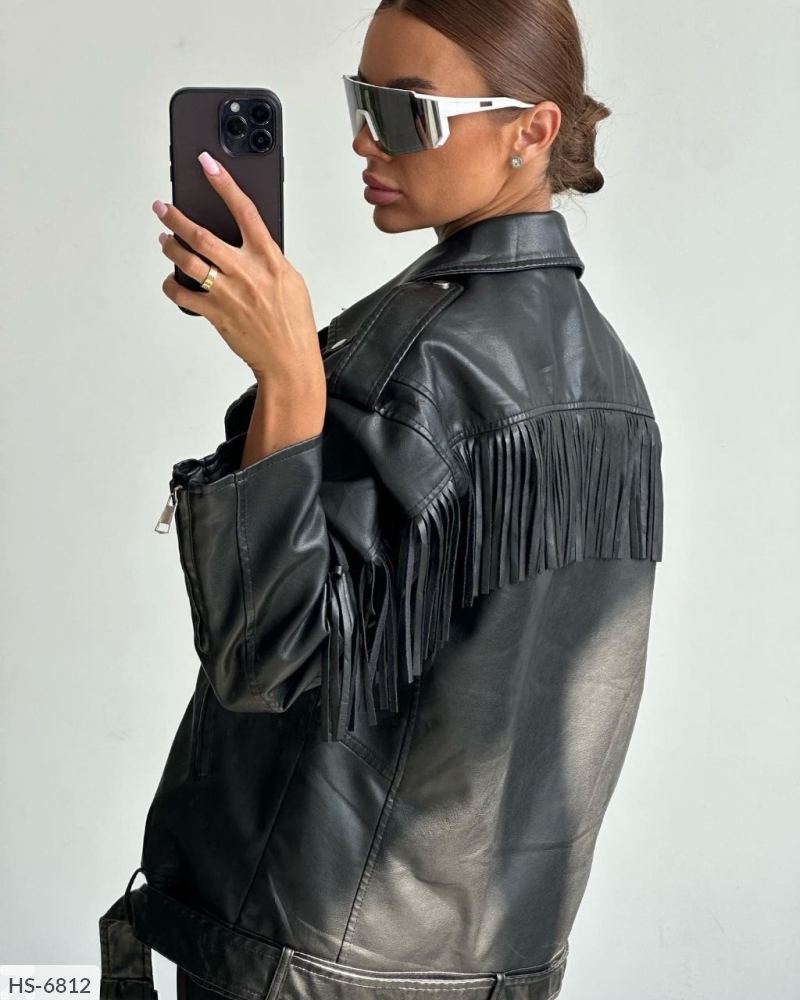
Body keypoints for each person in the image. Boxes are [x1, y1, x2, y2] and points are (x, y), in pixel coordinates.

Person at [98, 3, 664, 1000]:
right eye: (360, 102)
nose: (364, 140)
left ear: (532, 130)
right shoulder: (617, 390)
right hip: (498, 970)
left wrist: (288, 378)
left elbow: (263, 656)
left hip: (301, 959)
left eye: (405, 111)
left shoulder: (413, 361)